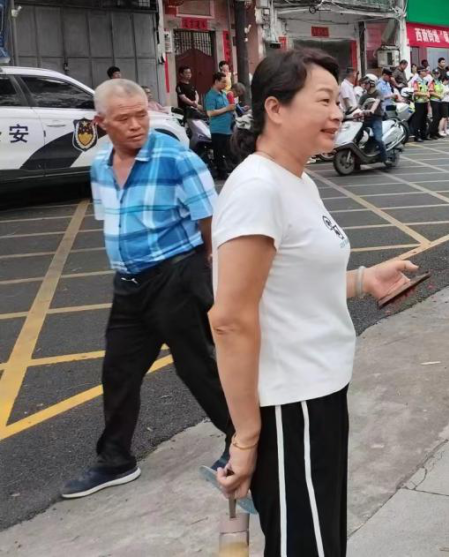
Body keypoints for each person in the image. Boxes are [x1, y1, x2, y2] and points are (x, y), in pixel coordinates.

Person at [209, 49, 416, 555]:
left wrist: (365, 280)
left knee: (318, 539)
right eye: (323, 100)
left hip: (318, 391)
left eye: (338, 100)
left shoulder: (296, 179)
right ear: (275, 108)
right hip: (289, 403)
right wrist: (246, 436)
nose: (337, 112)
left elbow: (294, 283)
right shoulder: (258, 187)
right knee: (308, 546)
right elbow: (231, 319)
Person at [62, 79, 233, 499]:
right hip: (129, 284)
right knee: (118, 370)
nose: (137, 125)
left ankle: (242, 436)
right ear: (102, 123)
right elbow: (112, 220)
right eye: (124, 119)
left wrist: (207, 262)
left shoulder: (177, 158)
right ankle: (116, 458)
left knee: (196, 366)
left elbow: (209, 217)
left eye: (142, 114)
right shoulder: (101, 164)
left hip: (176, 275)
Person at [205, 72, 238, 180]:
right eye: (223, 82)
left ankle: (231, 170)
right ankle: (221, 173)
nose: (225, 84)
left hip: (227, 128)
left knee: (230, 152)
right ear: (216, 81)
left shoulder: (223, 93)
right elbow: (210, 113)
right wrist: (227, 109)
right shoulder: (210, 96)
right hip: (217, 129)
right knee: (219, 153)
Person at [358, 73, 388, 161]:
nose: (364, 85)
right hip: (365, 119)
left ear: (372, 83)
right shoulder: (364, 95)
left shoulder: (378, 93)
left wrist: (372, 110)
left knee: (378, 139)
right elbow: (358, 107)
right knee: (356, 135)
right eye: (364, 83)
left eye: (366, 83)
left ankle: (384, 157)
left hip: (376, 118)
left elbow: (376, 102)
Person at [410, 71, 430, 142]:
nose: (426, 72)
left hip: (425, 102)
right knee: (417, 120)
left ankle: (423, 135)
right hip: (418, 102)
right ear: (420, 72)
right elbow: (415, 92)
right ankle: (417, 136)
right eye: (424, 70)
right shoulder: (416, 81)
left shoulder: (425, 81)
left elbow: (427, 90)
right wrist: (425, 95)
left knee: (424, 120)